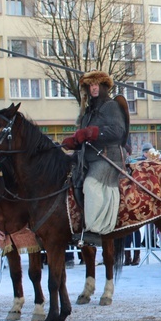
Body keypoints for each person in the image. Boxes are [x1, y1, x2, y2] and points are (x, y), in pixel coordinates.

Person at [62, 71, 128, 246]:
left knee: (91, 185)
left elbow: (118, 132)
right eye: (90, 85)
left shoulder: (111, 106)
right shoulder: (88, 111)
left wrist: (91, 132)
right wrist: (74, 142)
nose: (93, 88)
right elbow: (85, 138)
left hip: (108, 158)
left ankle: (94, 230)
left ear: (104, 87)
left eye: (97, 85)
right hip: (87, 158)